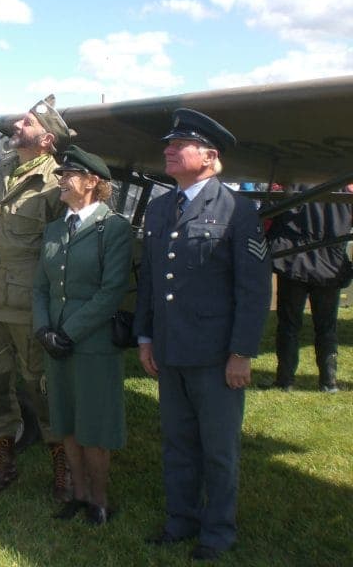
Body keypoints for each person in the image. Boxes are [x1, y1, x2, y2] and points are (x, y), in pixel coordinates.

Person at [133, 109, 272, 561]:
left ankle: (218, 531)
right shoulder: (159, 207)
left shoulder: (238, 209)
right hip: (171, 350)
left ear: (209, 156)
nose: (168, 151)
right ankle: (181, 520)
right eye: (168, 144)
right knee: (177, 444)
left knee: (218, 451)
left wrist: (241, 353)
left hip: (215, 356)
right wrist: (145, 337)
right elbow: (151, 282)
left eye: (180, 145)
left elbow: (253, 290)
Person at [0, 95, 75, 502]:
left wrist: (54, 311)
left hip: (29, 307)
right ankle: (5, 463)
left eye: (27, 122)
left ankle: (63, 469)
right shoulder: (1, 171)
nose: (17, 125)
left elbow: (62, 253)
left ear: (46, 139)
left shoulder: (56, 183)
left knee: (40, 389)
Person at [31, 145, 133, 524]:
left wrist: (67, 333)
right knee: (66, 421)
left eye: (68, 175)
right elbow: (40, 286)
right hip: (55, 343)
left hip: (91, 345)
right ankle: (77, 493)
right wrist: (43, 329)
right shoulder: (55, 229)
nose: (61, 180)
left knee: (95, 425)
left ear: (92, 182)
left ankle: (100, 499)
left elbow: (111, 292)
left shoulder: (114, 228)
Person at [263, 187, 353, 393]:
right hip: (328, 264)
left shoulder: (291, 184)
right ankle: (328, 382)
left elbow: (267, 219)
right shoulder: (344, 188)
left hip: (294, 261)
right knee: (326, 327)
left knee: (289, 325)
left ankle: (285, 381)